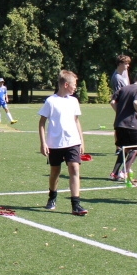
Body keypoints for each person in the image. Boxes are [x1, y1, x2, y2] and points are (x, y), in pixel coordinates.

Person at [38, 70, 87, 215]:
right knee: (55, 172)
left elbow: (76, 121)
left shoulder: (73, 101)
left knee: (74, 169)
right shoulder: (51, 101)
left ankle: (75, 204)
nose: (75, 87)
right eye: (74, 85)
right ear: (66, 85)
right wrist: (43, 143)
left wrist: (81, 141)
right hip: (55, 144)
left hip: (72, 142)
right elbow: (41, 123)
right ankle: (52, 196)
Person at [109, 70, 137, 182]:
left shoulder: (124, 88)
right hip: (131, 124)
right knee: (136, 149)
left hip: (119, 124)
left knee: (124, 149)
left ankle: (114, 173)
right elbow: (136, 102)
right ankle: (124, 171)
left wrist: (119, 113)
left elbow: (112, 102)